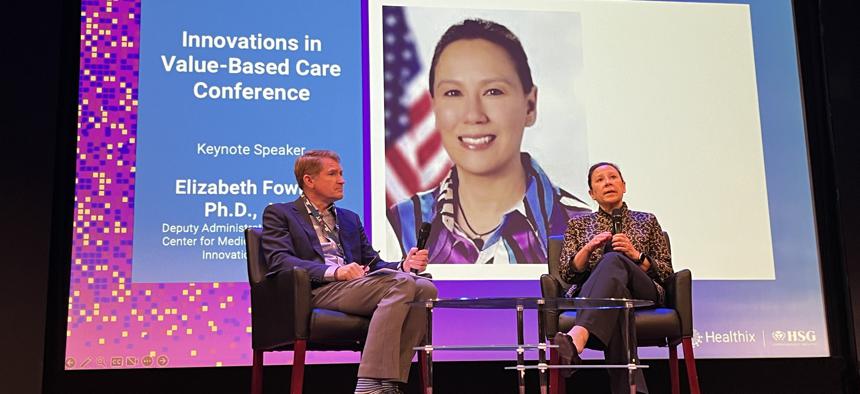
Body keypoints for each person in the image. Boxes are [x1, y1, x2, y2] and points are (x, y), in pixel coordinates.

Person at [388, 18, 589, 265]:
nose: (474, 115)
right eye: (453, 93)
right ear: (434, 109)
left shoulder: (579, 224)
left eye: (493, 92)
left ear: (530, 105)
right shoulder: (400, 221)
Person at [261, 150, 437, 394]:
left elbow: (373, 262)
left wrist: (403, 266)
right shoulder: (280, 214)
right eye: (333, 174)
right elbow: (279, 261)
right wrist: (335, 271)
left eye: (341, 173)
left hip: (354, 289)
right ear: (308, 181)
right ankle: (368, 383)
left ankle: (387, 384)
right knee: (402, 285)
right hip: (315, 291)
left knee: (425, 287)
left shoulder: (349, 218)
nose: (342, 180)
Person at [553, 162, 674, 394]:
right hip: (595, 294)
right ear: (591, 193)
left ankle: (579, 334)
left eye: (613, 177)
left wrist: (636, 256)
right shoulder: (578, 224)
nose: (607, 182)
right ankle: (632, 389)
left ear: (624, 185)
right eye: (600, 180)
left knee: (613, 259)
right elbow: (567, 274)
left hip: (645, 292)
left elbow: (666, 271)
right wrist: (587, 249)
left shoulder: (647, 221)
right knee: (618, 301)